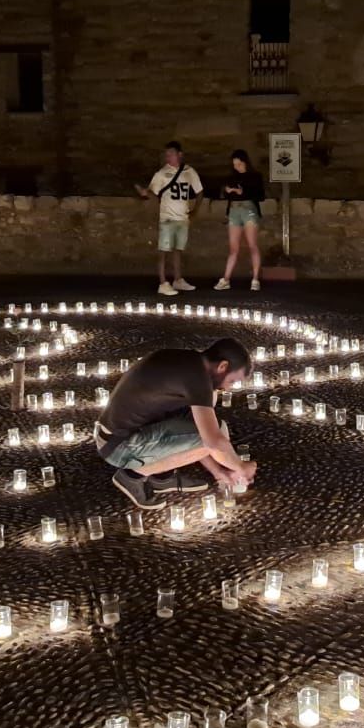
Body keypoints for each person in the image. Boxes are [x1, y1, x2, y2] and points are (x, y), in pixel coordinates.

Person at [94, 338, 258, 510]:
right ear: (222, 366)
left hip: (117, 433)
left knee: (208, 426)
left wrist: (219, 472)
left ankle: (162, 477)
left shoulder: (190, 363)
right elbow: (212, 441)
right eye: (232, 381)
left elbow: (198, 429)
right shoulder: (197, 379)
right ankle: (131, 476)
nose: (229, 388)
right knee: (218, 435)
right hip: (118, 445)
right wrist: (240, 467)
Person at [136, 141, 204, 296]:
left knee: (178, 250)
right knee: (164, 250)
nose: (168, 157)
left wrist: (195, 210)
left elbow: (200, 191)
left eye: (171, 154)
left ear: (180, 155)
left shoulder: (188, 171)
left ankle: (178, 280)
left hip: (182, 217)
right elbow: (153, 194)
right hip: (167, 218)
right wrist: (145, 193)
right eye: (166, 155)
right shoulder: (161, 174)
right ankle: (163, 283)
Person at [214, 149, 265, 292]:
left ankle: (255, 279)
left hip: (249, 210)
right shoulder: (232, 177)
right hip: (234, 212)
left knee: (252, 245)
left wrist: (243, 192)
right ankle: (225, 279)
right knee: (233, 248)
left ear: (245, 162)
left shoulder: (255, 176)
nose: (236, 167)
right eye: (234, 164)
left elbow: (260, 195)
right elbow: (226, 196)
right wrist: (227, 191)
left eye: (239, 164)